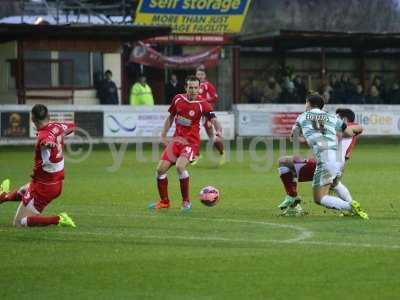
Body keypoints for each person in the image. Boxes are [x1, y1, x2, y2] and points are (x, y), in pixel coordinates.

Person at [148, 75, 222, 211]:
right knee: (159, 170)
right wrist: (163, 134)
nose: (193, 90)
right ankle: (164, 202)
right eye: (191, 87)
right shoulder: (178, 99)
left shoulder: (203, 104)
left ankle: (186, 202)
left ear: (199, 88)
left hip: (191, 143)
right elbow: (171, 117)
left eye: (196, 88)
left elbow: (215, 119)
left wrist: (219, 131)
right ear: (185, 88)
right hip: (176, 142)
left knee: (179, 167)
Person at [288, 95, 368, 219]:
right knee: (334, 185)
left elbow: (293, 136)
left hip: (324, 160)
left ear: (308, 104)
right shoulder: (331, 117)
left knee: (319, 198)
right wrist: (358, 129)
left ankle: (350, 206)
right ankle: (351, 206)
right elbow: (347, 132)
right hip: (335, 159)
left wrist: (301, 137)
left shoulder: (302, 116)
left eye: (305, 103)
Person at [0, 104, 76, 227]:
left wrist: (49, 143)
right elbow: (71, 127)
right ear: (48, 116)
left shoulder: (43, 136)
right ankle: (3, 196)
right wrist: (59, 135)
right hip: (53, 181)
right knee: (23, 190)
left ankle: (59, 219)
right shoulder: (57, 126)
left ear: (33, 119)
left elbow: (46, 141)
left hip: (44, 187)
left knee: (19, 223)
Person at [194, 67, 225, 165]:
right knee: (193, 134)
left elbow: (215, 97)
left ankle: (222, 152)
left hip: (207, 114)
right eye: (198, 74)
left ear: (205, 76)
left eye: (201, 74)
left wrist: (205, 101)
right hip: (196, 113)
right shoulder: (193, 86)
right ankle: (196, 155)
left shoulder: (207, 85)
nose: (199, 76)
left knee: (213, 137)